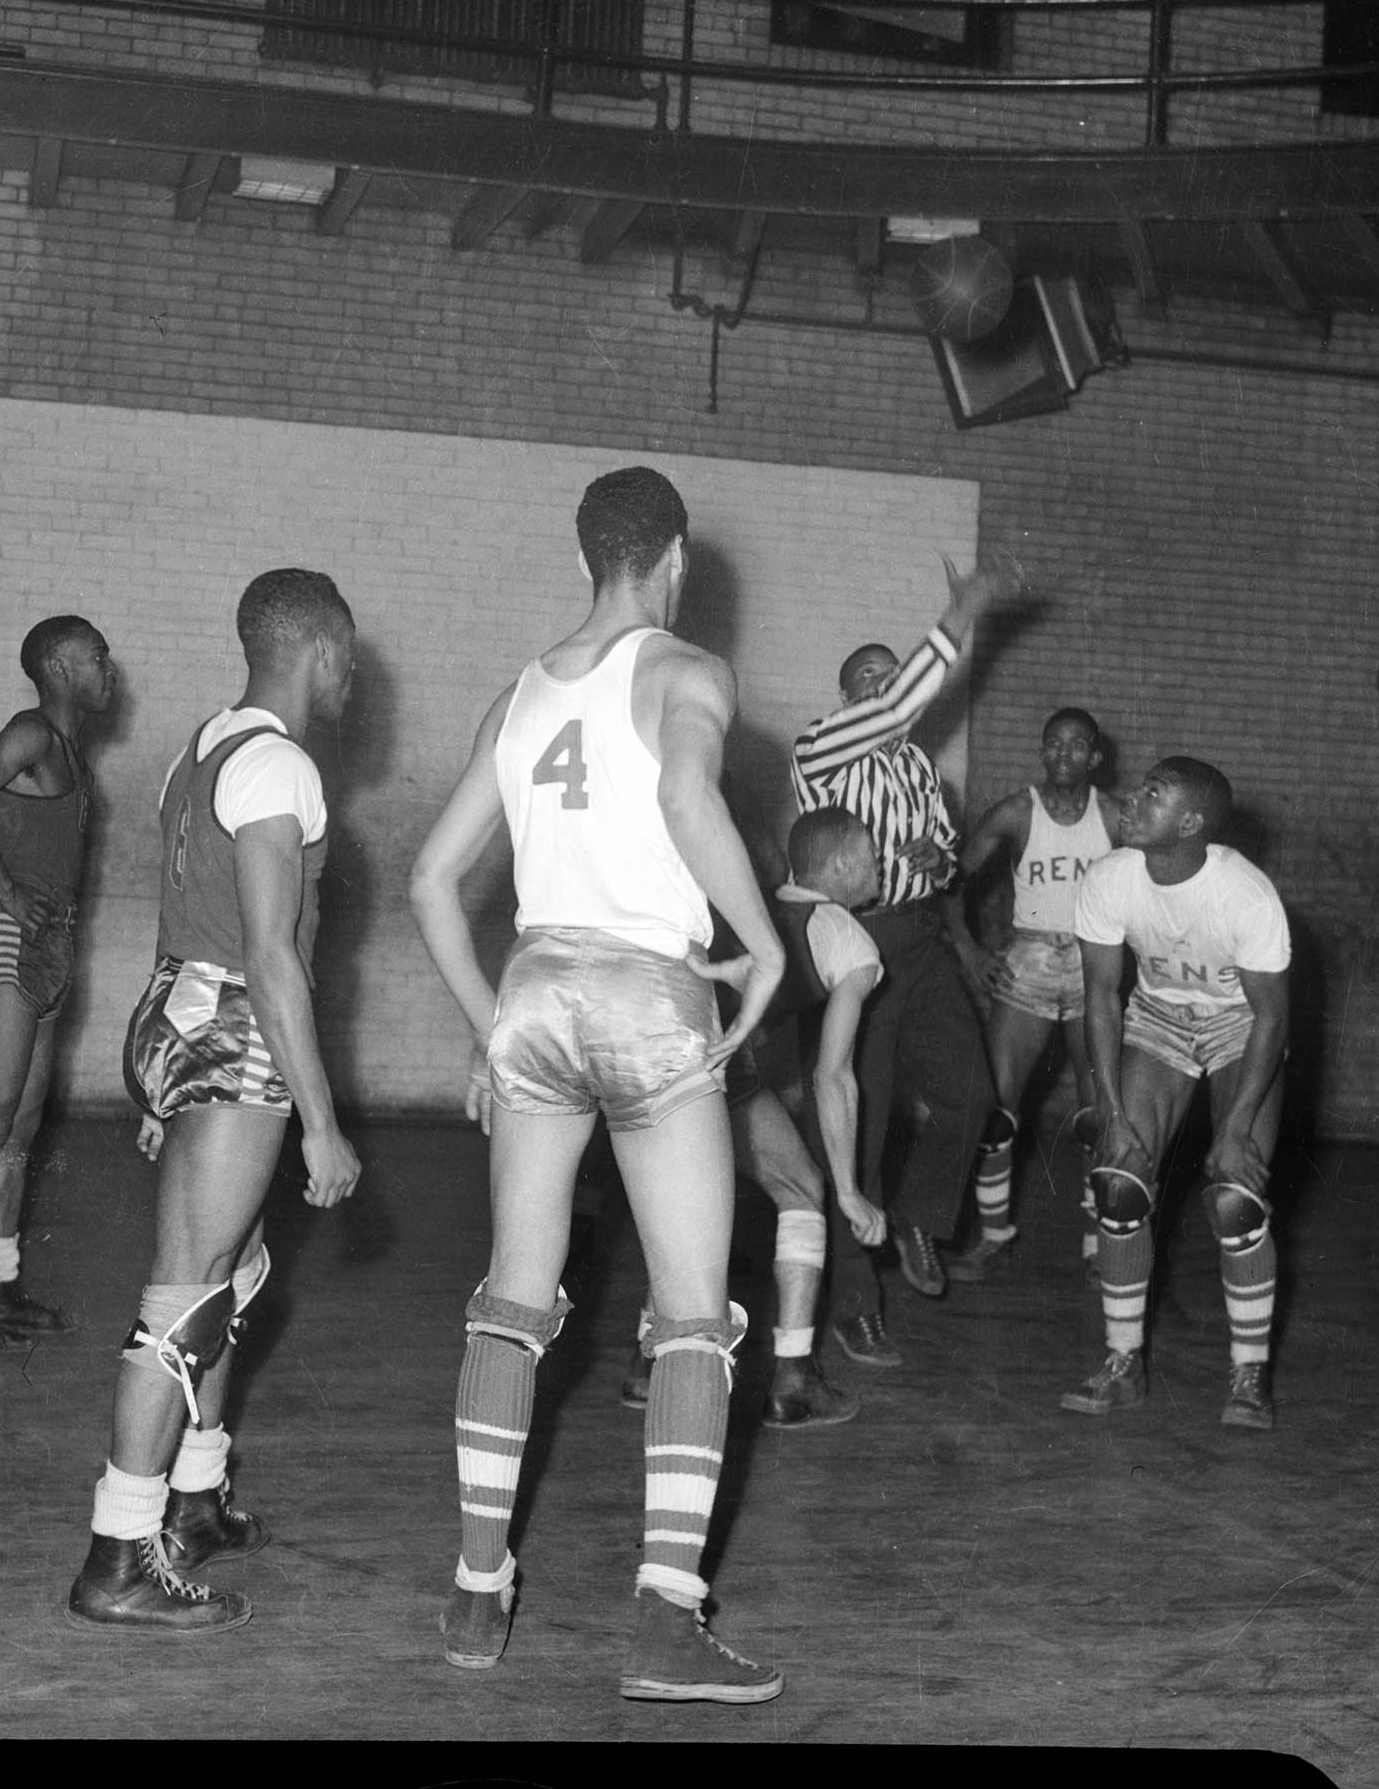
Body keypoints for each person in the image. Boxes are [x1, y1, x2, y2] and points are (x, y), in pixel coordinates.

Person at [408, 465, 788, 1703]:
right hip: (645, 991)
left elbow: (430, 882)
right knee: (690, 1315)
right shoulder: (689, 669)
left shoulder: (517, 696)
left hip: (534, 989)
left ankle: (477, 1590)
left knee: (512, 1299)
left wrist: (494, 1027)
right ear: (675, 556)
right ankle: (667, 1623)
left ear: (587, 560)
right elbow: (685, 791)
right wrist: (768, 942)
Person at [65, 570, 362, 1633]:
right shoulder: (281, 764)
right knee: (186, 1301)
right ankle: (119, 1551)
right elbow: (274, 957)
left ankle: (194, 1497)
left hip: (178, 1007)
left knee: (230, 1279)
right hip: (235, 1025)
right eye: (349, 653)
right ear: (320, 650)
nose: (355, 674)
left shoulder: (204, 747)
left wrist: (163, 1073)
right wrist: (322, 1121)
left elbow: (183, 910)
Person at [789, 556, 1015, 1362]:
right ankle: (855, 1302)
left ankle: (922, 1216)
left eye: (895, 677)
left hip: (916, 939)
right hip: (856, 947)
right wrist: (963, 615)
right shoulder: (819, 747)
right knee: (858, 1124)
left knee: (971, 1094)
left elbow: (948, 862)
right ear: (851, 696)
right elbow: (893, 708)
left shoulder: (919, 768)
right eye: (874, 681)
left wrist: (931, 857)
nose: (889, 691)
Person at [619, 806, 893, 1427]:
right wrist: (850, 1192)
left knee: (685, 1205)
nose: (881, 867)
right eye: (873, 856)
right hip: (706, 1060)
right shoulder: (849, 938)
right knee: (803, 1188)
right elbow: (834, 1074)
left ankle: (647, 1360)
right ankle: (792, 1379)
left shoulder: (752, 904)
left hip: (644, 1043)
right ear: (843, 866)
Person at [1064, 756, 1292, 1432]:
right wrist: (1108, 1109)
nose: (1133, 800)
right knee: (1118, 1183)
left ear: (1191, 823)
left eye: (1153, 795)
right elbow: (1101, 996)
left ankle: (1250, 1375)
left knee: (1234, 1199)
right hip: (1157, 1019)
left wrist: (1237, 1126)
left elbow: (1272, 1020)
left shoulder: (1245, 895)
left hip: (1240, 1029)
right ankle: (1122, 1364)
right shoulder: (1109, 879)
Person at [0, 615, 114, 1352]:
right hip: (8, 939)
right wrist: (4, 890)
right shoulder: (32, 733)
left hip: (50, 947)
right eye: (97, 657)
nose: (111, 670)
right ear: (61, 668)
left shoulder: (73, 751)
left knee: (21, 1130)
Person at [945, 707, 1126, 1282]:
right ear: (1042, 752)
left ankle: (1102, 1242)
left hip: (1094, 967)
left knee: (1101, 1113)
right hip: (1029, 962)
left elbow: (1158, 886)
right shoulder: (1017, 812)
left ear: (1095, 756)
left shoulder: (1118, 818)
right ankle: (994, 1234)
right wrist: (970, 950)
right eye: (1053, 744)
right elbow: (951, 879)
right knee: (996, 1112)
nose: (1063, 755)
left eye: (1077, 745)